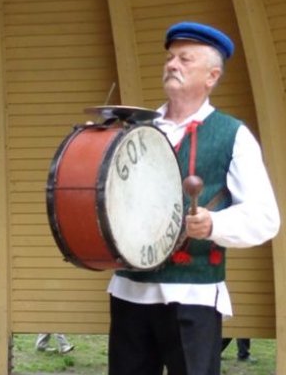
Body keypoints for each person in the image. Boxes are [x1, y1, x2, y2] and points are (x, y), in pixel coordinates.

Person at [106, 22, 280, 375]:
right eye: (170, 58)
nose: (172, 64)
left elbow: (265, 217)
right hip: (129, 290)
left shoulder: (233, 135)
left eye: (185, 59)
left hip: (194, 296)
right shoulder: (139, 129)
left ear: (211, 76)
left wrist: (215, 223)